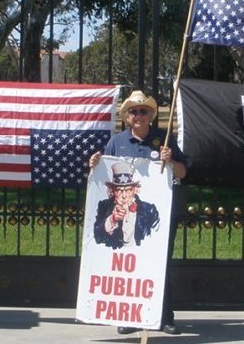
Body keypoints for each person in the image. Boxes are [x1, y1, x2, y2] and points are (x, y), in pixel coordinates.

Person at [89, 90, 187, 335]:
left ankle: (164, 317)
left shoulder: (165, 139)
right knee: (126, 266)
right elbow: (103, 175)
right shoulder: (116, 142)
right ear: (127, 116)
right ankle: (129, 315)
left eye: (143, 111)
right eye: (134, 111)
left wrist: (171, 161)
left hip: (156, 217)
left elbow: (183, 172)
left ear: (151, 114)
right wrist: (94, 163)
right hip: (123, 215)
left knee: (159, 264)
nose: (139, 115)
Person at [94, 160, 160, 249]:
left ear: (135, 189)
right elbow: (97, 237)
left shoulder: (149, 210)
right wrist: (112, 219)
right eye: (119, 190)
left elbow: (157, 238)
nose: (124, 196)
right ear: (112, 191)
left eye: (128, 190)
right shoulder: (104, 206)